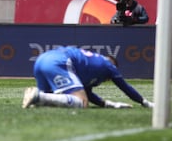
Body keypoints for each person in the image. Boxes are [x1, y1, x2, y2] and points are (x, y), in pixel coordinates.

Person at [22, 46, 154, 109]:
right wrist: (144, 102)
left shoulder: (92, 66)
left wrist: (109, 104)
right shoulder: (109, 66)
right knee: (82, 103)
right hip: (59, 61)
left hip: (42, 59)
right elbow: (125, 87)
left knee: (47, 105)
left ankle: (38, 99)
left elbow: (88, 93)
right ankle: (39, 96)